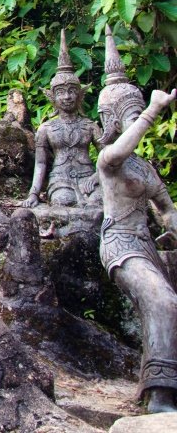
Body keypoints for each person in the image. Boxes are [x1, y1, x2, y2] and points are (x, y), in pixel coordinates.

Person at [95, 25, 177, 413]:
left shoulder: (146, 169)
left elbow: (166, 208)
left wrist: (172, 225)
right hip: (120, 245)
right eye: (128, 113)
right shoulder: (110, 160)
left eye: (138, 111)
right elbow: (120, 148)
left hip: (147, 245)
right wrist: (152, 111)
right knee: (161, 301)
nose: (137, 120)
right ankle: (159, 393)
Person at [23, 30, 102, 210]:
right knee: (63, 201)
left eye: (72, 91)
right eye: (60, 92)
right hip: (60, 180)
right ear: (52, 97)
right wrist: (34, 193)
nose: (67, 97)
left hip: (88, 177)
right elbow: (41, 163)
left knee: (97, 203)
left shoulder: (90, 126)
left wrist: (95, 178)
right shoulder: (46, 128)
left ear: (80, 95)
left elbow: (107, 159)